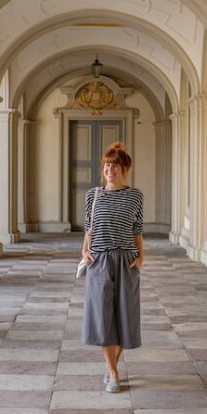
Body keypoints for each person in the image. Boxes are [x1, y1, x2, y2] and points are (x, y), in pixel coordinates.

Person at [80, 141, 144, 392]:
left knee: (125, 318)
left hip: (127, 261)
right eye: (107, 165)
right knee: (102, 317)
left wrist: (141, 257)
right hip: (99, 261)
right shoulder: (93, 195)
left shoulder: (135, 196)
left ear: (124, 168)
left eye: (115, 165)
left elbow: (137, 230)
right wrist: (84, 251)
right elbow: (88, 228)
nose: (110, 169)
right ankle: (114, 373)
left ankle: (111, 369)